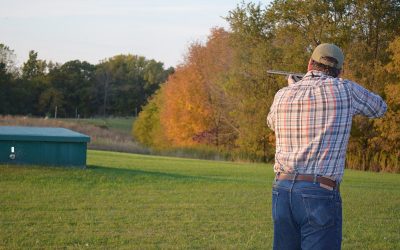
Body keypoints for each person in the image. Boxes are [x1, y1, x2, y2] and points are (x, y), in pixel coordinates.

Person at [266, 43, 387, 250]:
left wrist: (291, 86)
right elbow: (380, 108)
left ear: (309, 64)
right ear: (339, 70)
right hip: (319, 191)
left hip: (282, 189)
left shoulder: (283, 94)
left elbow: (271, 122)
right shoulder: (346, 89)